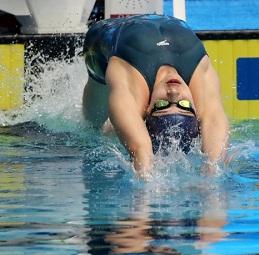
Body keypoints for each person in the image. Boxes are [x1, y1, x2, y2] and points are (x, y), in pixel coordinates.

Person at [82, 14, 229, 177]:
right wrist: (210, 172)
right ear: (196, 108)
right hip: (158, 18)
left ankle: (122, 123)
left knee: (92, 126)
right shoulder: (199, 76)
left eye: (162, 105)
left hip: (103, 36)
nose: (174, 93)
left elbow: (141, 151)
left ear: (147, 108)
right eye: (184, 106)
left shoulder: (133, 80)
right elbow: (214, 124)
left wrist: (145, 187)